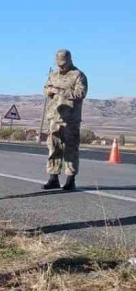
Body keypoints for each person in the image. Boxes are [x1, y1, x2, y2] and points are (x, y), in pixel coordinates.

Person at [42, 49, 88, 190]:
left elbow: (81, 93)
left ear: (69, 60)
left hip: (70, 119)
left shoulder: (78, 75)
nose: (60, 66)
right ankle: (53, 177)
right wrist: (49, 90)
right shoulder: (53, 74)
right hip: (54, 117)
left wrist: (60, 92)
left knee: (70, 149)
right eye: (58, 63)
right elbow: (46, 89)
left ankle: (70, 179)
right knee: (53, 147)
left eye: (63, 63)